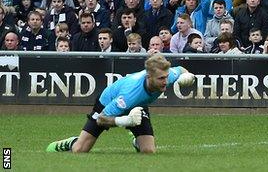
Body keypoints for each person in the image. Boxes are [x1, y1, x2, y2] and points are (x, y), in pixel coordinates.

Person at [46, 54, 193, 153]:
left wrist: (187, 76)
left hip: (137, 106)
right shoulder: (130, 94)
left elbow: (181, 70)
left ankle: (136, 140)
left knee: (148, 151)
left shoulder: (168, 75)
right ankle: (72, 142)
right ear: (149, 77)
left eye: (167, 77)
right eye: (161, 78)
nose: (166, 82)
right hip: (106, 105)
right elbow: (101, 119)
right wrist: (126, 121)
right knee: (80, 150)